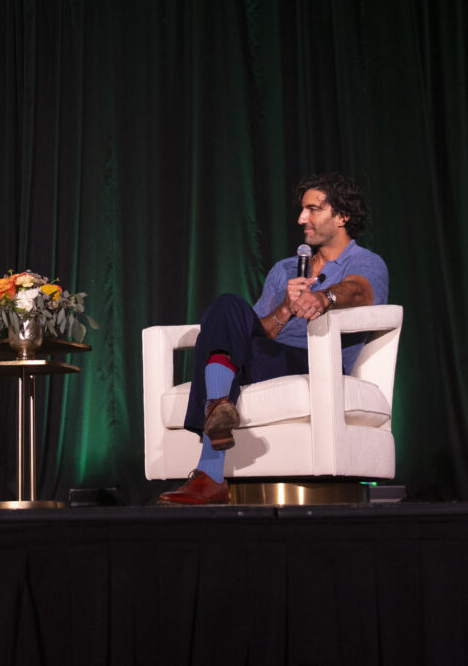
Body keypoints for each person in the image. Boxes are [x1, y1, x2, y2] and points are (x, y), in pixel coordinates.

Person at [158, 172, 389, 505]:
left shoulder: (366, 262)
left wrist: (324, 298)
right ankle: (218, 406)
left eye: (313, 209)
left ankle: (210, 472)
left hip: (313, 360)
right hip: (271, 354)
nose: (301, 218)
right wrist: (284, 307)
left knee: (219, 353)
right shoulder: (286, 269)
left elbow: (356, 290)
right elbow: (260, 328)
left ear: (342, 217)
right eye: (302, 210)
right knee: (226, 307)